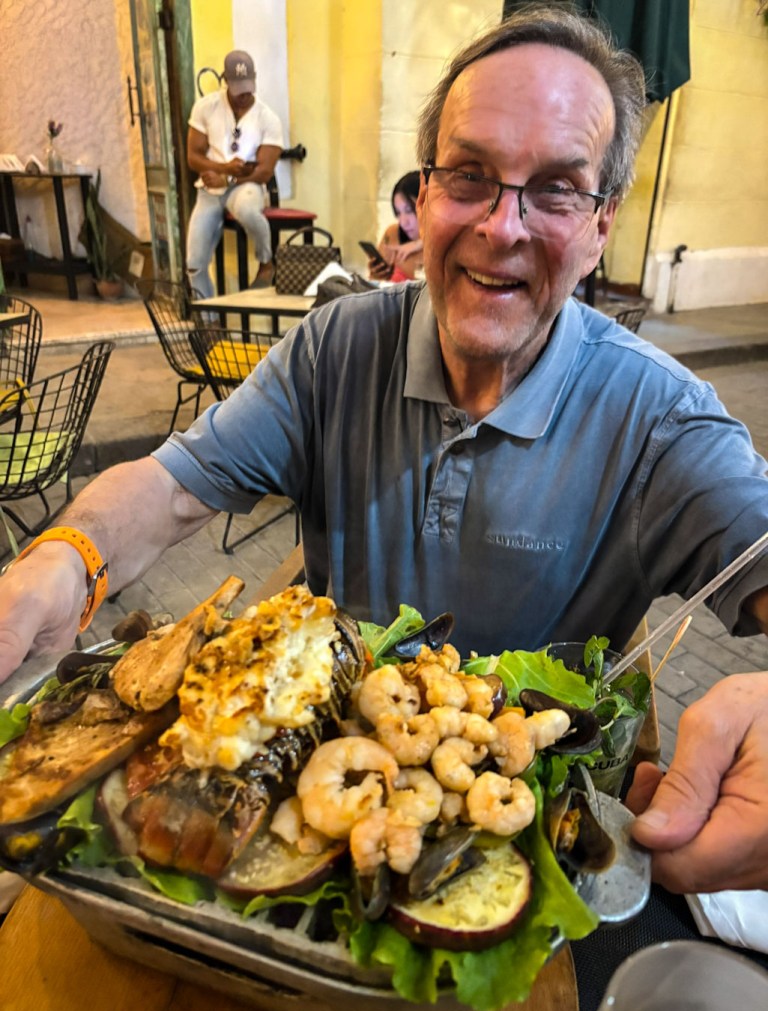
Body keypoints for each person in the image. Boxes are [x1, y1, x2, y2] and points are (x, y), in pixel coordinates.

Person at [1, 6, 767, 894]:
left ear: (602, 223)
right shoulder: (337, 347)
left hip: (503, 853)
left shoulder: (661, 415)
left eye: (556, 188)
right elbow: (175, 485)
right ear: (426, 190)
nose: (502, 226)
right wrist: (66, 562)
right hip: (315, 816)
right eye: (470, 175)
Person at [186, 49, 284, 297]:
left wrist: (228, 178)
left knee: (248, 210)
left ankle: (266, 261)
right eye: (238, 87)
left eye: (249, 86)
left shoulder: (268, 118)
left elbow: (263, 171)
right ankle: (209, 326)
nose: (244, 94)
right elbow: (193, 158)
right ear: (226, 81)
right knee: (194, 264)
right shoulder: (206, 108)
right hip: (209, 191)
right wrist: (222, 170)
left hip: (245, 186)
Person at [368, 171, 424, 282]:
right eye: (398, 213)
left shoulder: (444, 243)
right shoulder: (392, 234)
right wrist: (376, 275)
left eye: (409, 211)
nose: (403, 222)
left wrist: (421, 243)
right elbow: (376, 284)